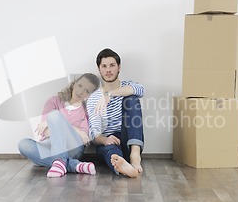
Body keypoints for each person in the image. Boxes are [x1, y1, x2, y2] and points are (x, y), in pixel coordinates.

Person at [18, 73, 100, 178]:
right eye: (80, 86)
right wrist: (76, 130)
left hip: (73, 148)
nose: (80, 91)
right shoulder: (54, 101)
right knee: (23, 144)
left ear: (90, 95)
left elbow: (84, 137)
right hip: (50, 145)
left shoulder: (87, 110)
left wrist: (56, 123)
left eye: (87, 91)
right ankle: (74, 165)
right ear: (74, 84)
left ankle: (60, 162)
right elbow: (44, 131)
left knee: (54, 115)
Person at [86, 48, 145, 178]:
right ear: (99, 69)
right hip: (109, 140)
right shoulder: (93, 98)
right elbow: (94, 134)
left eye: (112, 65)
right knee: (109, 151)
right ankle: (123, 166)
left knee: (132, 99)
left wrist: (110, 94)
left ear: (119, 67)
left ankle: (135, 156)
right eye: (104, 66)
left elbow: (140, 89)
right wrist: (105, 139)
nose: (108, 70)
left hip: (129, 138)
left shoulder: (127, 86)